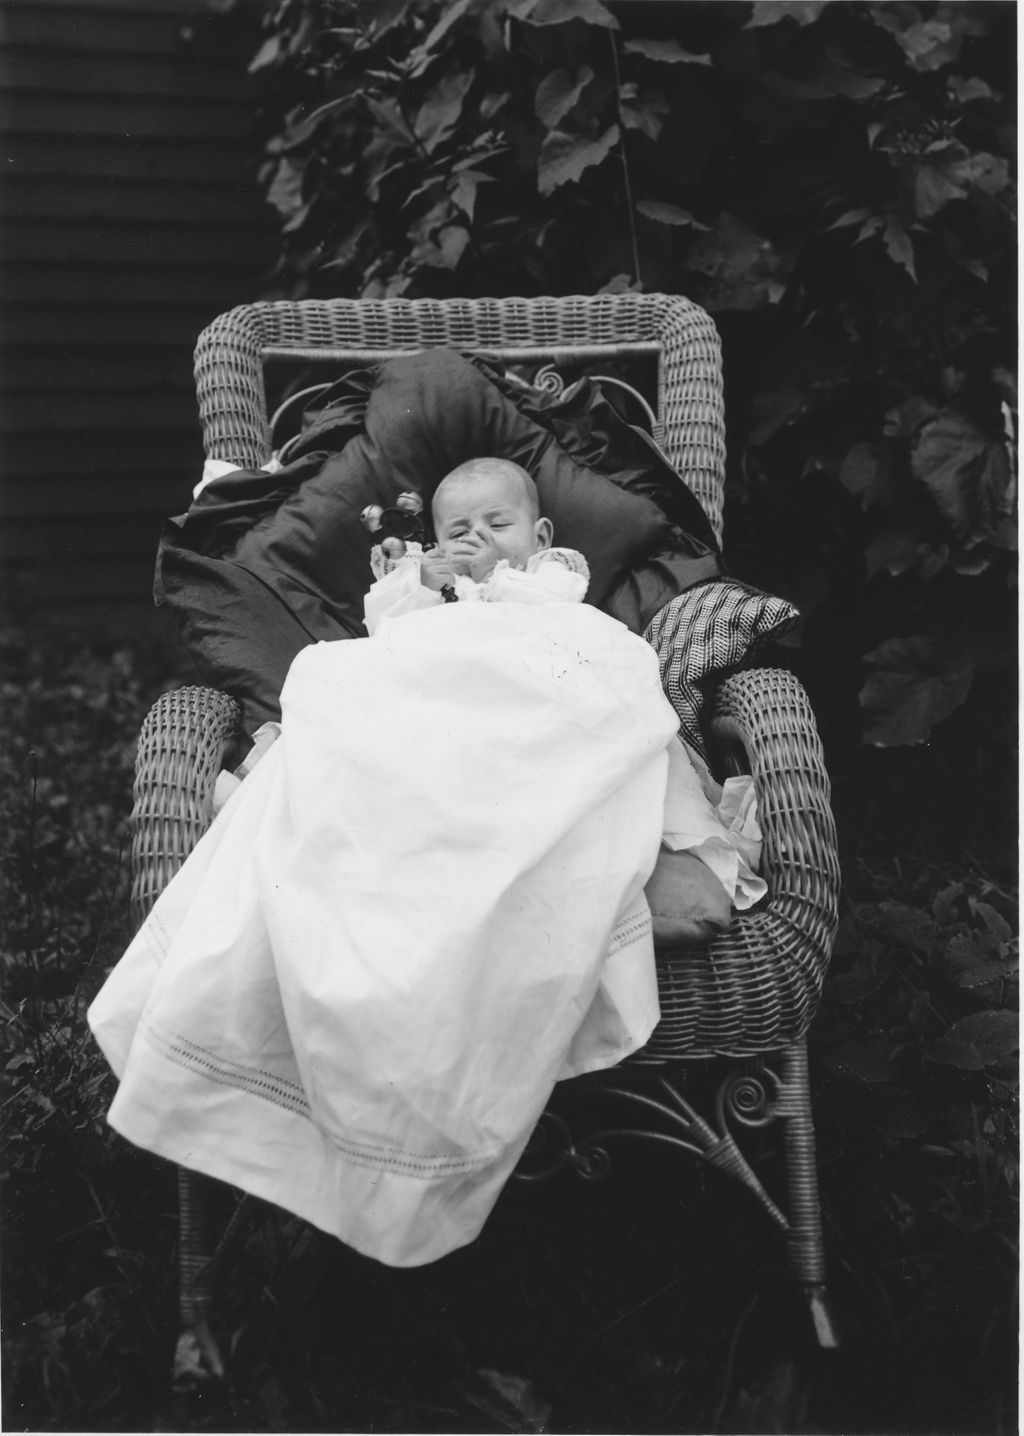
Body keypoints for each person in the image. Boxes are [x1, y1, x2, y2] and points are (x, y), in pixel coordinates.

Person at [88, 456, 763, 1267]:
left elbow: (569, 633)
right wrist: (419, 586)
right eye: (457, 530)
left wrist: (498, 585)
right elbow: (391, 642)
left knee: (568, 722)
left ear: (541, 534)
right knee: (359, 702)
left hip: (531, 685)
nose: (476, 540)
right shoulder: (428, 587)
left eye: (497, 525)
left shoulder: (551, 581)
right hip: (434, 699)